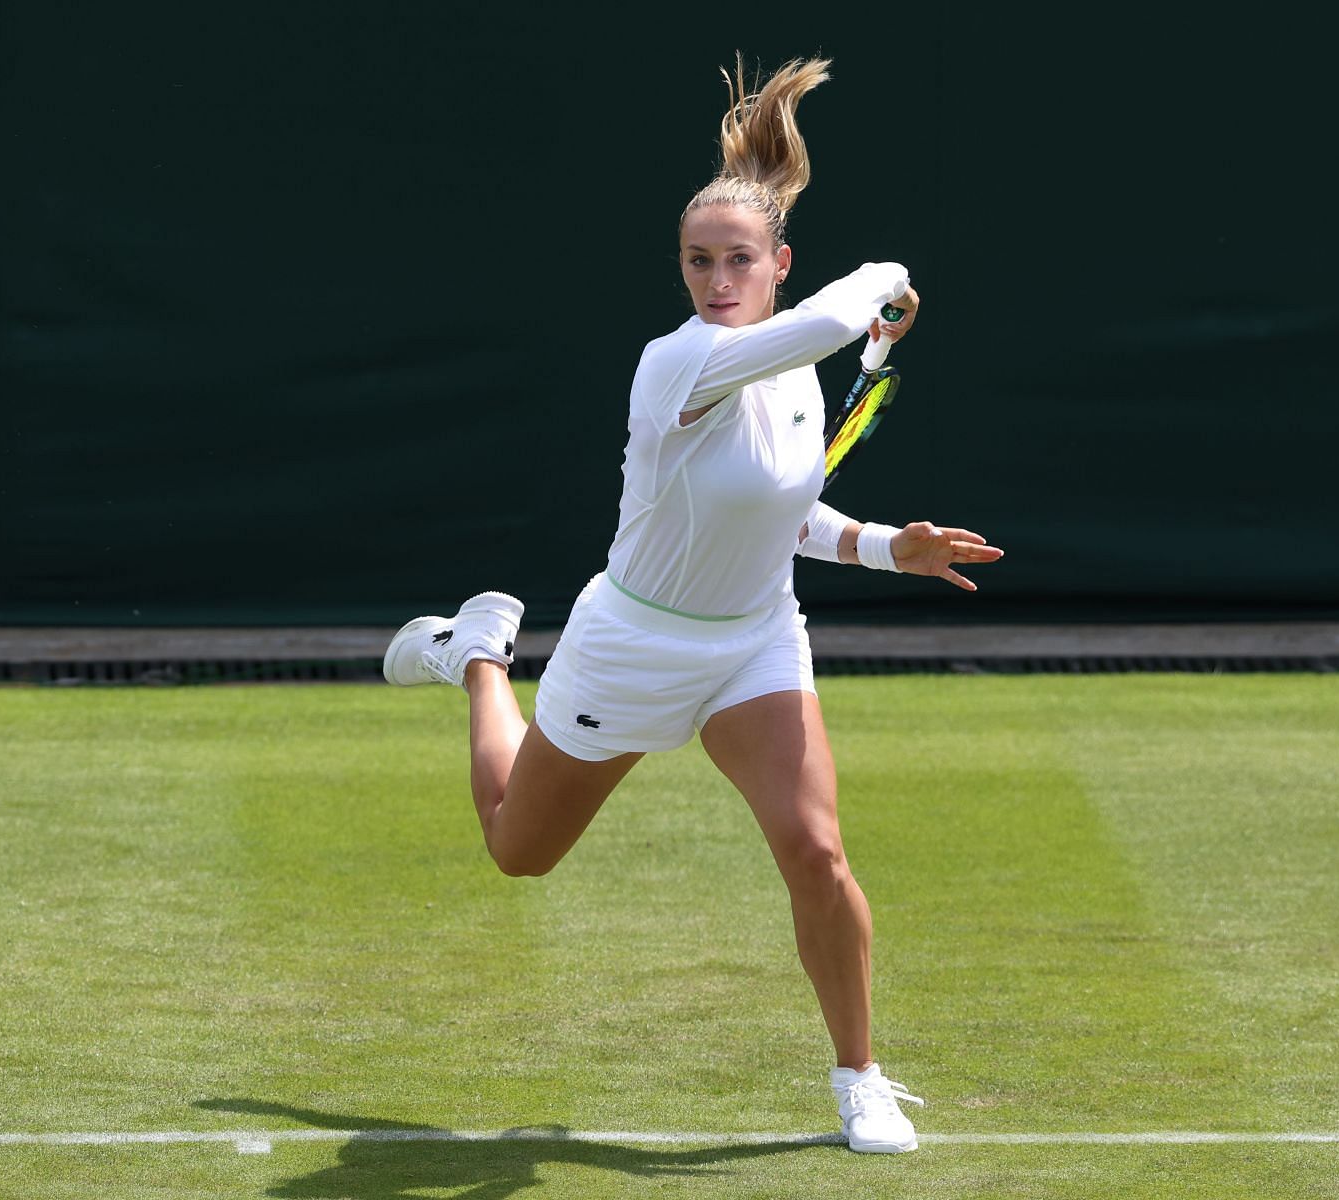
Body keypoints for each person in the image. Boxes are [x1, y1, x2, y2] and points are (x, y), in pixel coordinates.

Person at [382, 55, 1004, 1154]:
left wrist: (878, 546)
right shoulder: (676, 363)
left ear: (777, 261)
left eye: (736, 261)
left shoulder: (799, 369)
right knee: (517, 852)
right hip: (629, 647)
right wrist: (889, 273)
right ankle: (480, 659)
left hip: (755, 643)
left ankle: (860, 1076)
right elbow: (824, 326)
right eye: (697, 261)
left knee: (815, 851)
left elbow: (782, 511)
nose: (716, 279)